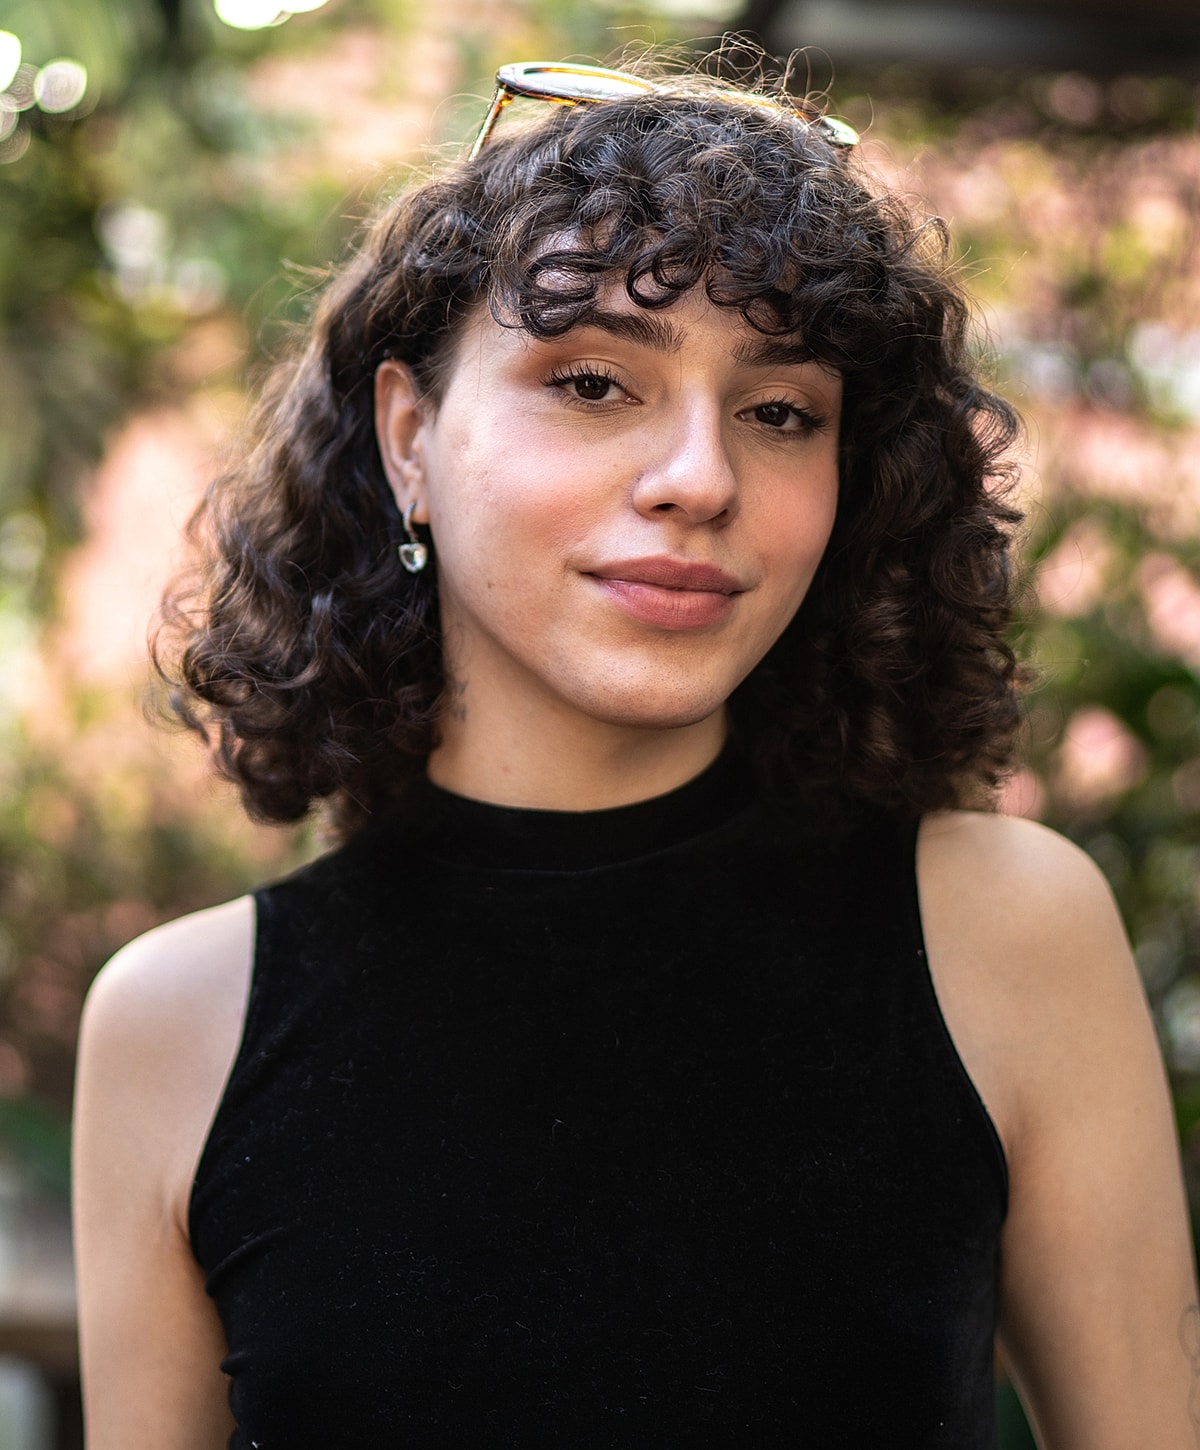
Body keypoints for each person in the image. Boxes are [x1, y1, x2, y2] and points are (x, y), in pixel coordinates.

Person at [72, 56, 1197, 1449]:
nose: (701, 478)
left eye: (780, 412)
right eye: (596, 380)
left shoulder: (1004, 937)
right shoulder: (179, 1026)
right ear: (410, 437)